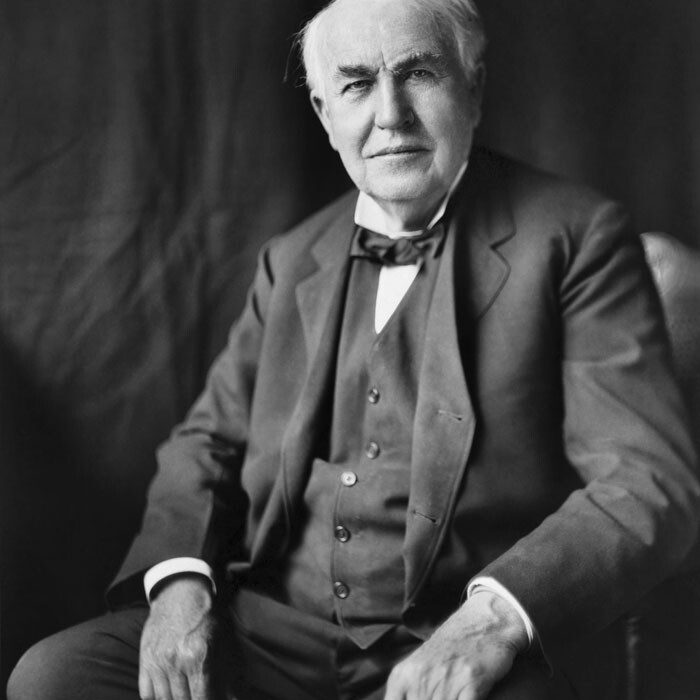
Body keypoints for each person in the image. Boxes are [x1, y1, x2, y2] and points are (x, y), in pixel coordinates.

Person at [8, 0, 700, 698]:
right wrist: (179, 587)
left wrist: (492, 623)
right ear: (324, 111)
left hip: (458, 631)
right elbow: (206, 442)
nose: (390, 114)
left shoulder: (577, 238)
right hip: (272, 635)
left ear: (474, 85)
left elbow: (647, 481)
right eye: (357, 84)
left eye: (419, 73)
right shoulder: (290, 259)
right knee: (52, 678)